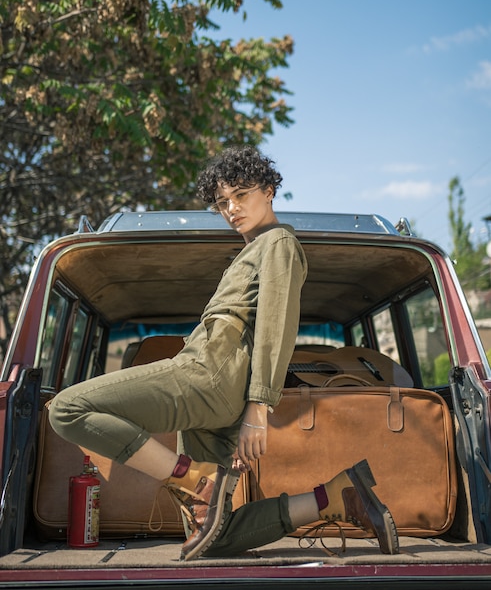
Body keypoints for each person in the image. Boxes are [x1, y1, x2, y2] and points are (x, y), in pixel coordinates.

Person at [49, 145, 399, 561]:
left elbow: (276, 324)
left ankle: (193, 477)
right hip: (217, 400)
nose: (231, 209)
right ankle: (335, 497)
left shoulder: (278, 242)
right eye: (222, 203)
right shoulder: (253, 250)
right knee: (214, 536)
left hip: (207, 376)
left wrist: (258, 408)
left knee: (66, 409)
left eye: (241, 195)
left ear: (269, 191)